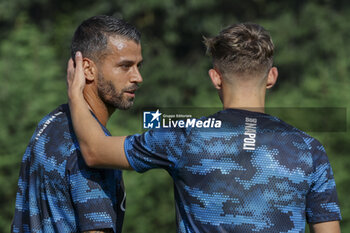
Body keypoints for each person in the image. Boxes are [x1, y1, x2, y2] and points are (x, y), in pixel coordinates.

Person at [67, 23, 341, 232]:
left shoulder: (185, 136)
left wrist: (76, 94)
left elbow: (94, 150)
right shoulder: (310, 150)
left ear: (215, 78)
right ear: (271, 77)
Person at [12, 15, 143, 233]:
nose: (138, 77)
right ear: (88, 69)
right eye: (125, 66)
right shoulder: (92, 150)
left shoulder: (49, 124)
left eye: (139, 65)